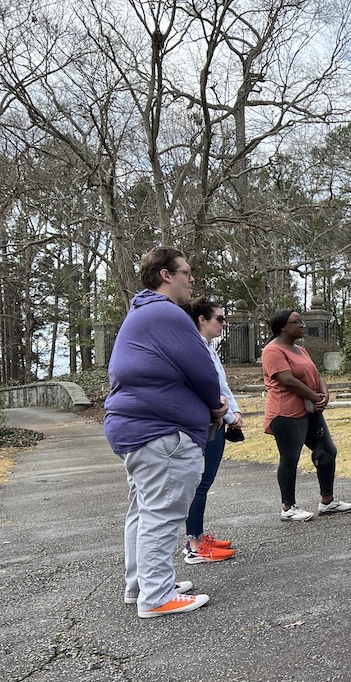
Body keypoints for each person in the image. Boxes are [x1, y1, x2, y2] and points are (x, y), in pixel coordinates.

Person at [105, 246, 226, 618]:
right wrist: (216, 404)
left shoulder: (143, 312)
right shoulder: (166, 313)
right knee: (161, 513)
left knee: (142, 512)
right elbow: (202, 369)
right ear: (165, 276)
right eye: (186, 273)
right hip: (162, 433)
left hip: (138, 431)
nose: (192, 280)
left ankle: (141, 585)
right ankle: (156, 597)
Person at [262, 309, 351, 522]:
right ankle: (288, 508)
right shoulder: (273, 350)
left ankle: (327, 501)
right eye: (297, 322)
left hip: (310, 410)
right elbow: (288, 380)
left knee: (327, 451)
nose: (302, 325)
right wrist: (315, 396)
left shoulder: (300, 350)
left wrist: (325, 393)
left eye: (302, 321)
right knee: (290, 458)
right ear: (283, 326)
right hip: (286, 413)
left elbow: (316, 374)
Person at [180, 297, 240, 565]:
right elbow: (208, 389)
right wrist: (227, 413)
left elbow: (222, 385)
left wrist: (234, 413)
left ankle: (198, 536)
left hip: (216, 420)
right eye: (219, 318)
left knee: (203, 482)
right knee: (199, 484)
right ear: (202, 320)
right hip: (205, 423)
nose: (224, 323)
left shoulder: (209, 347)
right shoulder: (195, 348)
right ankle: (194, 544)